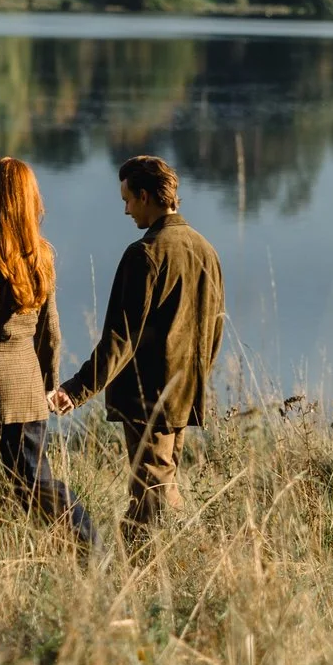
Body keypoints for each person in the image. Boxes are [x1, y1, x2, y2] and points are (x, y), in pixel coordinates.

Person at [49, 155, 224, 544]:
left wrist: (75, 391)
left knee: (152, 495)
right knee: (162, 483)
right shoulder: (206, 250)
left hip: (148, 398)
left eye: (128, 199)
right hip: (185, 394)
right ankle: (165, 562)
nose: (126, 210)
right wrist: (197, 381)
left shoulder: (145, 254)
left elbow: (120, 338)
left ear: (145, 196)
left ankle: (154, 571)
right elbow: (215, 329)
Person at [0, 158, 98, 548]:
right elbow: (51, 331)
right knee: (34, 480)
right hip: (28, 389)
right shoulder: (41, 255)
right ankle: (88, 540)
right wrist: (47, 384)